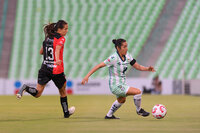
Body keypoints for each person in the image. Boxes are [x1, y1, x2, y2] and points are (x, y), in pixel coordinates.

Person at [81, 38, 155, 119]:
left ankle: (109, 115)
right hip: (115, 85)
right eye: (124, 47)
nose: (126, 48)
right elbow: (99, 66)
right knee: (138, 92)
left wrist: (147, 69)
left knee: (122, 100)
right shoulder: (113, 58)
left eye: (127, 46)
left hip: (122, 84)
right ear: (118, 48)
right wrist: (87, 76)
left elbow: (137, 66)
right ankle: (139, 110)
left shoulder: (128, 56)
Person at [16, 20, 75, 118]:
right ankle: (66, 113)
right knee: (63, 90)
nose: (67, 31)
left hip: (44, 68)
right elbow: (57, 49)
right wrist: (57, 59)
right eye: (65, 29)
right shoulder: (61, 38)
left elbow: (41, 52)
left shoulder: (47, 38)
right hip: (56, 69)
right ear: (59, 29)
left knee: (38, 93)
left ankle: (26, 88)